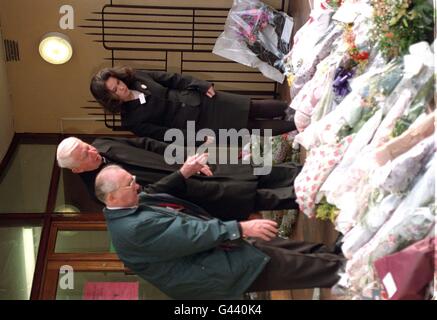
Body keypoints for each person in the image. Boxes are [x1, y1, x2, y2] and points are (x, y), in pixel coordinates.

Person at [95, 165, 345, 299]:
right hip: (219, 270)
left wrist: (183, 172)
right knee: (300, 267)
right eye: (130, 183)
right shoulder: (131, 229)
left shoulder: (133, 203)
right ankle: (360, 270)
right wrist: (240, 227)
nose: (136, 184)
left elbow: (157, 191)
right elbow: (189, 234)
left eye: (133, 178)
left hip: (224, 249)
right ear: (112, 196)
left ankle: (340, 254)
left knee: (293, 250)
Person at [56, 136, 302, 221]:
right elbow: (145, 198)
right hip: (191, 191)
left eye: (87, 146)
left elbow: (147, 144)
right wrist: (182, 174)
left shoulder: (103, 144)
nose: (92, 151)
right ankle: (314, 194)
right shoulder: (100, 191)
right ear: (77, 170)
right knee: (259, 196)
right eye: (85, 155)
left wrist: (187, 157)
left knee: (256, 170)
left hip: (191, 166)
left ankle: (306, 172)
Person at [89, 66, 295, 145]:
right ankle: (297, 124)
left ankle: (298, 111)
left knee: (252, 107)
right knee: (251, 128)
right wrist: (198, 139)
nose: (121, 88)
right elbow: (163, 134)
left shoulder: (138, 77)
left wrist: (201, 85)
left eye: (118, 83)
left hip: (201, 100)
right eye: (114, 90)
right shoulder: (130, 120)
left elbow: (173, 79)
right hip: (197, 126)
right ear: (109, 99)